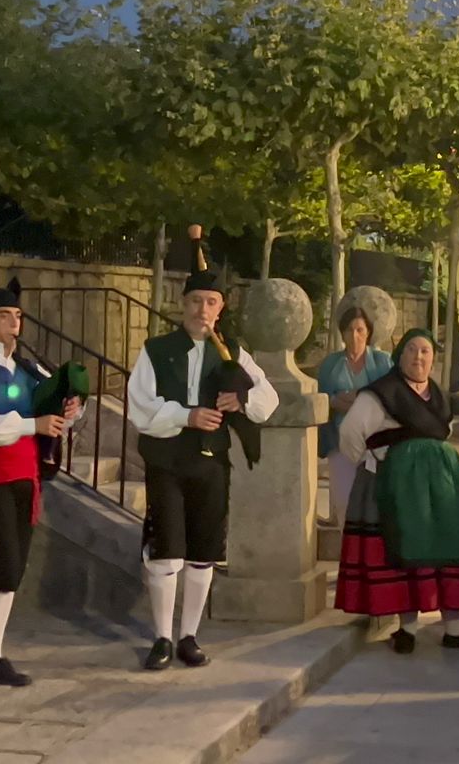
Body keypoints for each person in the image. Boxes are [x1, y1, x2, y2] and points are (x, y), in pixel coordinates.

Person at [125, 263, 280, 671]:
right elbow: (140, 409)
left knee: (202, 555)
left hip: (211, 465)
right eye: (195, 301)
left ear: (221, 307)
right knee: (165, 553)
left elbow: (268, 400)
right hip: (166, 463)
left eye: (211, 302)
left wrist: (240, 401)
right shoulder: (156, 350)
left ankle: (188, 637)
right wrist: (186, 416)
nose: (202, 309)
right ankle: (161, 637)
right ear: (183, 304)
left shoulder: (232, 352)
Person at [335, 329, 459, 652]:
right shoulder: (380, 394)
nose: (418, 357)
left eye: (424, 351)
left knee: (450, 547)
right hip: (399, 483)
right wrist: (376, 463)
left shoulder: (437, 395)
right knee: (405, 548)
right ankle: (406, 630)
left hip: (442, 486)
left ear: (432, 358)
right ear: (399, 356)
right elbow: (351, 433)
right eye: (411, 350)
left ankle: (456, 628)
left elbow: (444, 432)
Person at [0, 289, 82, 697]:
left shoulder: (29, 369)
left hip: (24, 478)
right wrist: (34, 425)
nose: (14, 321)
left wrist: (69, 407)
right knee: (3, 567)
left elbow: (61, 404)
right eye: (3, 314)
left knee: (13, 572)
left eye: (17, 314)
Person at [316, 306, 393, 524]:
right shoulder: (331, 364)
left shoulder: (382, 362)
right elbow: (324, 399)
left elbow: (387, 398)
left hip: (376, 443)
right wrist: (350, 400)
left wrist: (351, 398)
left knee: (375, 503)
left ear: (368, 332)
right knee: (343, 501)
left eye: (360, 330)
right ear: (342, 333)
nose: (355, 335)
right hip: (340, 442)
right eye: (349, 330)